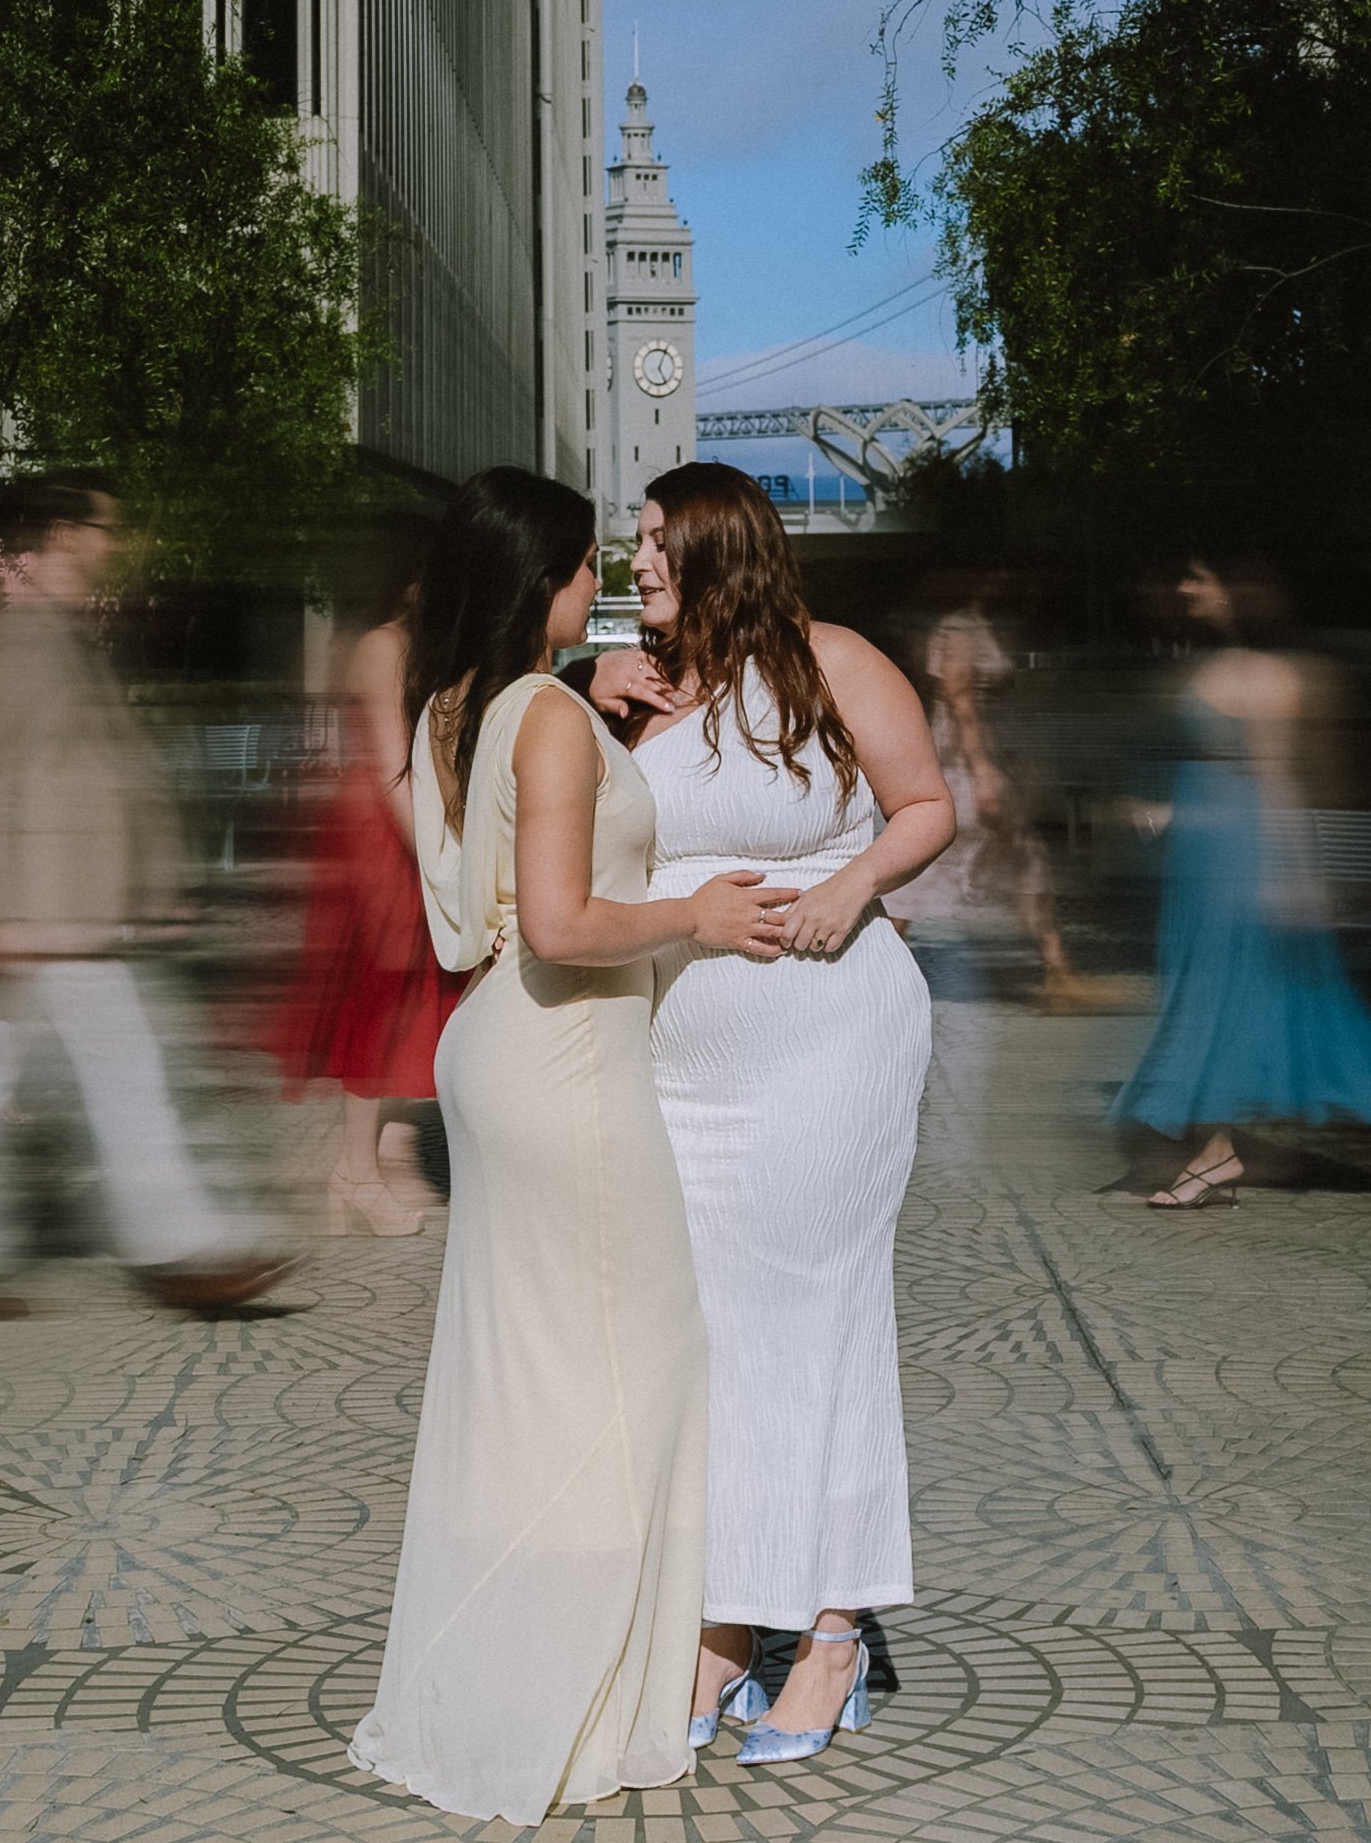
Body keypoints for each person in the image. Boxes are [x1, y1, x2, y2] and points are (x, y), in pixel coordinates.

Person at [347, 466, 795, 1825]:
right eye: (588, 568)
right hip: (564, 1066)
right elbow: (557, 922)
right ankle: (581, 1688)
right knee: (634, 1367)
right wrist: (697, 920)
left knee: (531, 1379)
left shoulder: (471, 710)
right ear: (543, 577)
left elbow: (473, 903)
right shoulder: (541, 717)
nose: (602, 588)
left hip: (507, 1054)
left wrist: (595, 720)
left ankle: (522, 1665)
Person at [590, 462, 954, 1767]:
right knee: (716, 1335)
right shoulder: (640, 690)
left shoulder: (832, 661)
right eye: (632, 546)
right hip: (687, 1071)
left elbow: (926, 807)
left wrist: (851, 887)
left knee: (814, 1320)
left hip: (828, 1038)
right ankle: (730, 1623)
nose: (637, 566)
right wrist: (596, 706)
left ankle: (834, 1628)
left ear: (717, 549)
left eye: (654, 544)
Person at [0, 471, 290, 1316]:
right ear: (64, 535)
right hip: (45, 908)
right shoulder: (24, 640)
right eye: (104, 528)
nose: (114, 545)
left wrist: (146, 879)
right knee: (121, 1070)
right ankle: (180, 1244)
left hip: (58, 909)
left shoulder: (57, 633)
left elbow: (101, 774)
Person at [1111, 555, 1371, 1206]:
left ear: (1238, 588)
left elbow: (1273, 777)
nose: (1185, 586)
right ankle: (1217, 1151)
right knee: (1205, 994)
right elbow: (1209, 767)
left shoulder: (1269, 676)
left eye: (1200, 576)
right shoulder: (1211, 664)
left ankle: (1214, 1154)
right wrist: (1166, 811)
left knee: (1235, 999)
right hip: (1200, 857)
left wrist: (1286, 872)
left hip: (1239, 856)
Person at [266, 599, 466, 1235]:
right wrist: (437, 856)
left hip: (403, 827)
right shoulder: (386, 645)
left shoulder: (419, 641)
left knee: (412, 998)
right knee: (382, 1001)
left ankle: (380, 1158)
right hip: (383, 834)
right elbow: (391, 766)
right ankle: (357, 1170)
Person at [889, 578, 1119, 1008]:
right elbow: (960, 704)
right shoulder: (959, 631)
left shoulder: (986, 628)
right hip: (963, 770)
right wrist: (983, 774)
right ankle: (873, 973)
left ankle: (1060, 973)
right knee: (925, 868)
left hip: (990, 765)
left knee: (1025, 862)